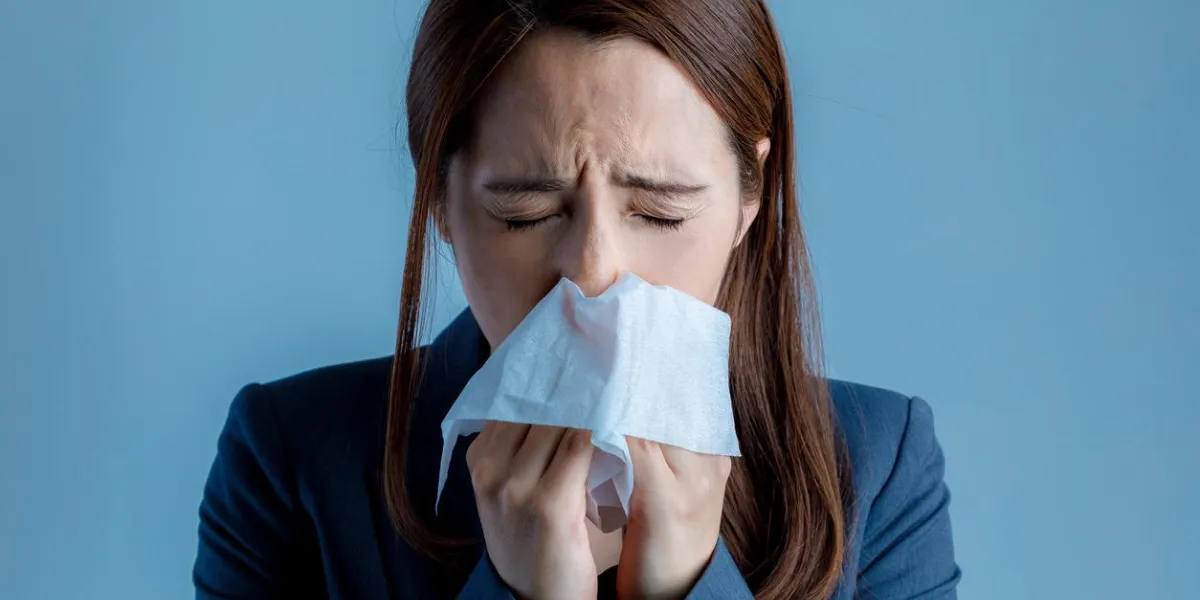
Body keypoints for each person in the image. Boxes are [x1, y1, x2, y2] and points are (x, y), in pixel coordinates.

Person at [193, 0, 961, 598]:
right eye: (525, 215)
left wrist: (688, 587)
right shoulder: (291, 460)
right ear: (441, 205)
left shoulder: (874, 467)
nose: (594, 273)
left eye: (660, 213)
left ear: (747, 203)